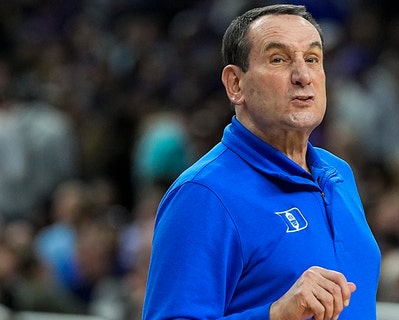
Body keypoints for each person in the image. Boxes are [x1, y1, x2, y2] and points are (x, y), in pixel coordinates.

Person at [142, 4, 381, 320]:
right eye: (279, 60)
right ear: (235, 85)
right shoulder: (203, 194)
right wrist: (276, 314)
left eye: (312, 59)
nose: (302, 75)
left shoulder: (339, 174)